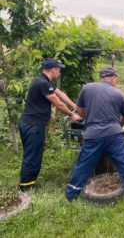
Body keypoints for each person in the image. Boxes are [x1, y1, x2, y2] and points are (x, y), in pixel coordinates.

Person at [65, 67, 124, 201]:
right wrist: (118, 126)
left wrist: (88, 119)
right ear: (112, 78)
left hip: (92, 134)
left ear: (101, 77)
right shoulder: (120, 94)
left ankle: (72, 193)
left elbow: (80, 110)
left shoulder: (87, 88)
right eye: (116, 78)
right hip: (114, 134)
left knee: (83, 163)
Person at [18, 58, 81, 191]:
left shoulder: (43, 81)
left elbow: (61, 94)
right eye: (59, 70)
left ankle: (29, 182)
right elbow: (57, 103)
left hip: (29, 123)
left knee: (33, 153)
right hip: (33, 125)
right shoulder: (43, 84)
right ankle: (25, 186)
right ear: (53, 70)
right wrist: (72, 115)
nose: (59, 72)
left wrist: (76, 106)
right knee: (33, 155)